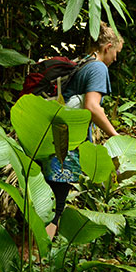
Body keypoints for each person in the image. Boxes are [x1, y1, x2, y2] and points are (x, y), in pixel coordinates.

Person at [43, 22, 123, 236]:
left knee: (50, 202)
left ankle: (33, 256)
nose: (116, 58)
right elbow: (92, 107)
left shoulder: (83, 63)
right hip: (67, 146)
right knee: (57, 206)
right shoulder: (98, 68)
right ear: (107, 47)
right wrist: (116, 136)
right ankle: (36, 256)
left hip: (54, 139)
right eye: (116, 52)